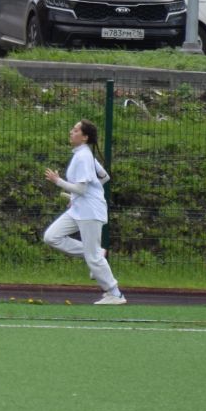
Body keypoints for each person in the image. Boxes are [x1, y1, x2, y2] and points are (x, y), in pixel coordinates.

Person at [41, 119, 126, 306]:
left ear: (85, 137)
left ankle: (115, 293)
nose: (71, 132)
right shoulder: (83, 155)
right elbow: (104, 177)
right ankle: (97, 253)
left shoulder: (83, 157)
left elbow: (81, 189)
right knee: (51, 237)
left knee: (93, 256)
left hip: (90, 211)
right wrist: (74, 199)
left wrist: (57, 181)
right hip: (79, 209)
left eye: (76, 130)